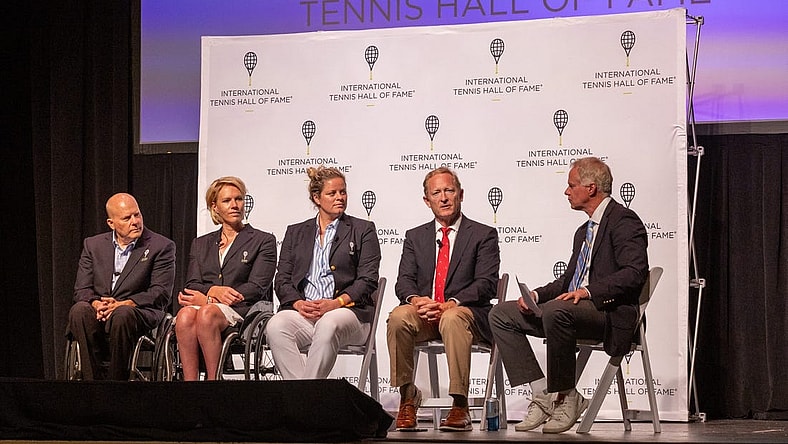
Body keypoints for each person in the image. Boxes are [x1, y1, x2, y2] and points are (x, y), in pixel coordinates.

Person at [489, 156, 649, 434]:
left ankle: (565, 394)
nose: (566, 191)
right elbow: (567, 281)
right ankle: (544, 395)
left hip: (608, 313)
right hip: (569, 312)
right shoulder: (583, 231)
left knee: (556, 310)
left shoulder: (624, 221)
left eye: (571, 185)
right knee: (502, 313)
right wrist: (536, 296)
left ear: (590, 188)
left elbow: (633, 273)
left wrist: (588, 291)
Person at [387, 167, 500, 432]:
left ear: (460, 194)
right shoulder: (415, 237)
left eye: (449, 190)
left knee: (451, 317)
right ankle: (407, 396)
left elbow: (486, 283)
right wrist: (416, 301)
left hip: (466, 315)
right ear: (427, 201)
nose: (444, 198)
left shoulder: (483, 234)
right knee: (399, 316)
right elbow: (404, 281)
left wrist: (452, 302)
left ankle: (459, 404)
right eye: (436, 193)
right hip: (425, 313)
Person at [266, 166, 381, 380]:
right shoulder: (295, 232)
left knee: (329, 323)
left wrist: (335, 303)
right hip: (306, 313)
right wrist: (298, 304)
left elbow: (368, 280)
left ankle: (307, 398)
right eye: (332, 193)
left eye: (343, 192)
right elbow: (282, 280)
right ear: (316, 198)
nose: (340, 198)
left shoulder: (363, 229)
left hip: (349, 315)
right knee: (276, 326)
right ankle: (307, 398)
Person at [175, 176, 277, 381]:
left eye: (239, 199)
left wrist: (209, 300)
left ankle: (214, 382)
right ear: (215, 206)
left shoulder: (262, 240)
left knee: (206, 313)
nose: (235, 205)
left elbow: (257, 287)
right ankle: (189, 385)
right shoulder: (201, 244)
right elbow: (192, 284)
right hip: (209, 305)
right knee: (185, 316)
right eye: (227, 201)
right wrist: (213, 291)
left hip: (243, 309)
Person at [67, 193, 176, 380]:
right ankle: (92, 384)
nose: (135, 221)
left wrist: (125, 303)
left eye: (137, 215)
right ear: (111, 223)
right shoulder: (93, 245)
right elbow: (82, 289)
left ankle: (117, 384)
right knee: (79, 311)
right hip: (101, 310)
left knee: (121, 315)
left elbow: (160, 293)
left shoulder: (161, 246)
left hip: (139, 312)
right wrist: (96, 304)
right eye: (127, 218)